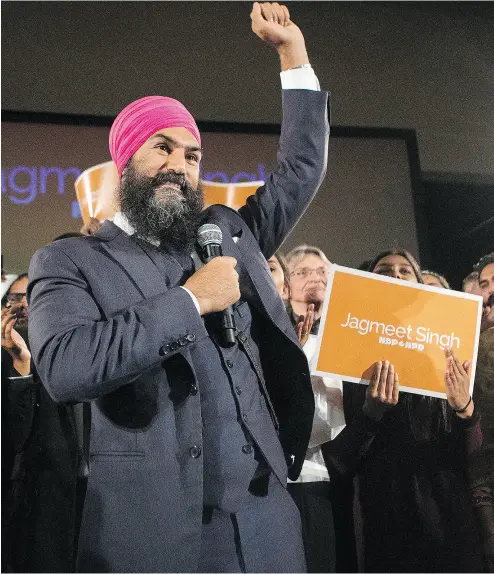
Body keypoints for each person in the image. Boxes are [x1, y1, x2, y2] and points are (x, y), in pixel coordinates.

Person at [27, 4, 329, 572]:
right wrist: (192, 300)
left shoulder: (227, 233)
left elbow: (299, 171)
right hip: (158, 534)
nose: (180, 166)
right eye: (161, 147)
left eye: (192, 155)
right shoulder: (70, 260)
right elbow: (65, 367)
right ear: (125, 162)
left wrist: (294, 54)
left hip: (268, 525)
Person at [343, 248, 485, 572]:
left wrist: (465, 408)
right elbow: (344, 458)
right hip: (388, 523)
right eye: (384, 271)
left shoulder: (451, 357)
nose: (395, 275)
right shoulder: (351, 358)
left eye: (405, 271)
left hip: (447, 521)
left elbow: (473, 454)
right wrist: (370, 414)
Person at [1, 273, 86, 573]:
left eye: (31, 297)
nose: (22, 306)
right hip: (35, 512)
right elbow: (13, 438)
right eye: (15, 299)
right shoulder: (8, 361)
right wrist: (20, 365)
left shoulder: (78, 350)